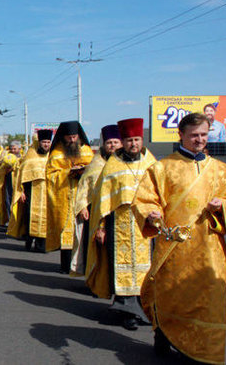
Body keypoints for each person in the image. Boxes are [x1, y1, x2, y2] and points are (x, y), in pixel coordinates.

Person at [132, 112, 226, 363]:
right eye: (194, 135)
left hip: (210, 250)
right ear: (180, 135)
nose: (199, 139)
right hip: (174, 248)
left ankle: (206, 351)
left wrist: (223, 205)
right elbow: (145, 199)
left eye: (204, 134)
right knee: (171, 295)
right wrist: (151, 214)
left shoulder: (223, 171)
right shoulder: (161, 168)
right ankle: (164, 338)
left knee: (210, 301)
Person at [85, 118, 156, 331]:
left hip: (145, 226)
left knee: (146, 269)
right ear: (123, 142)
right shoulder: (112, 166)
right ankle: (127, 312)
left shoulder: (151, 164)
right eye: (129, 140)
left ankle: (144, 308)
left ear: (141, 140)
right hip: (119, 225)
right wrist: (101, 227)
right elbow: (101, 200)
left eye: (136, 140)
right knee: (122, 268)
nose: (133, 144)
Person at [70, 125, 121, 276]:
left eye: (115, 142)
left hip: (117, 211)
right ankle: (94, 279)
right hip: (95, 211)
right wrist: (82, 207)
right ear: (104, 145)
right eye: (109, 143)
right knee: (94, 246)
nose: (112, 146)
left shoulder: (126, 163)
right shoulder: (96, 164)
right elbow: (84, 186)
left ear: (121, 144)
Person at [46, 121, 93, 273]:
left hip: (83, 197)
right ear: (63, 137)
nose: (72, 140)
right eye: (69, 137)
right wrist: (68, 173)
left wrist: (83, 171)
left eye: (74, 137)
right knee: (66, 231)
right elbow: (50, 175)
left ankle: (83, 265)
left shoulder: (86, 150)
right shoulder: (56, 153)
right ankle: (66, 266)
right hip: (64, 196)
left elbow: (94, 171)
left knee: (83, 231)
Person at [8, 130, 52, 252]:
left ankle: (41, 244)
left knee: (45, 219)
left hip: (47, 193)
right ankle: (28, 239)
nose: (46, 145)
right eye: (44, 142)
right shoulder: (30, 156)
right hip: (31, 192)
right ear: (39, 143)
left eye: (48, 142)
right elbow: (21, 175)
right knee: (29, 217)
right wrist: (21, 191)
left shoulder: (52, 157)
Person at [0, 140, 23, 227]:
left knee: (17, 202)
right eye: (12, 149)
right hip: (8, 181)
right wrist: (5, 168)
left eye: (15, 149)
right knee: (8, 200)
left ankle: (18, 222)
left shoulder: (23, 158)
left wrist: (14, 167)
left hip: (18, 183)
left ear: (19, 149)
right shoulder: (6, 157)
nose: (13, 151)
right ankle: (10, 220)